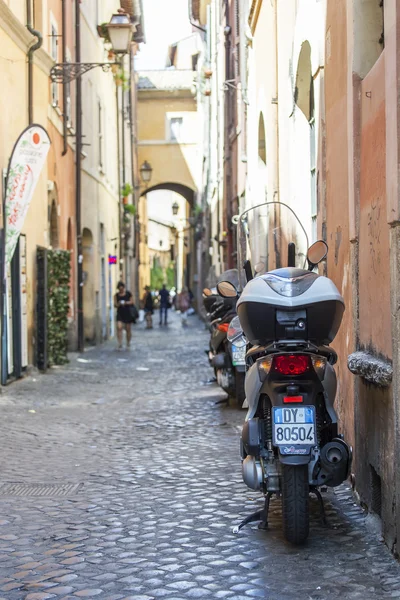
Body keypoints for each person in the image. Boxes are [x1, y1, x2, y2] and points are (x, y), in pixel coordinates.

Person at [114, 281, 135, 350]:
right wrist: (119, 303)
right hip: (120, 313)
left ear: (124, 288)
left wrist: (126, 302)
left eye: (122, 289)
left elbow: (132, 302)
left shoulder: (128, 294)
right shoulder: (116, 295)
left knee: (128, 329)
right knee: (119, 327)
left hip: (128, 313)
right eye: (120, 289)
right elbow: (115, 304)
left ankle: (128, 343)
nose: (121, 290)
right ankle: (120, 343)